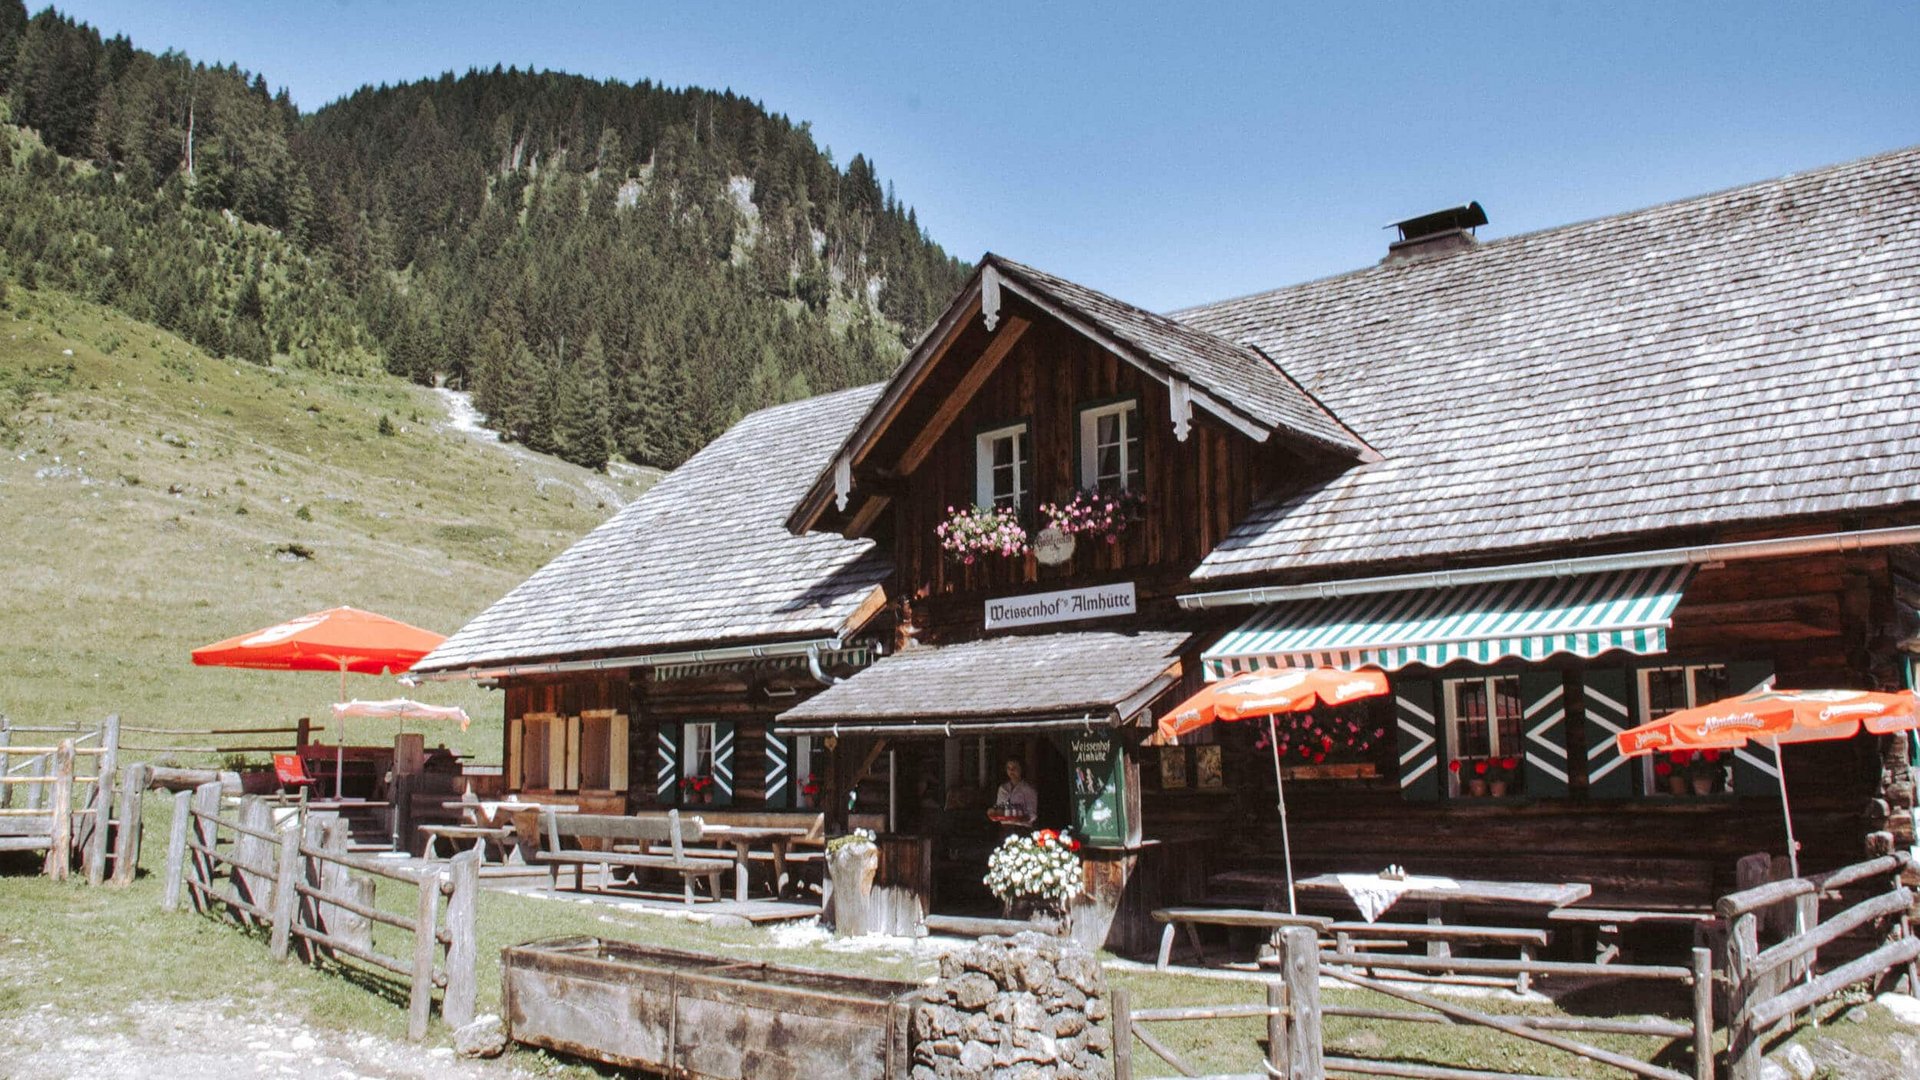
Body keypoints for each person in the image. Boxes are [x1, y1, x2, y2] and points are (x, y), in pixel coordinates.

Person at [988, 758, 1038, 831]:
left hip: (1022, 828)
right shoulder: (1002, 788)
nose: (1011, 771)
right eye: (1008, 768)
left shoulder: (1028, 789)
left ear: (1021, 769)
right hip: (1004, 827)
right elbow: (999, 808)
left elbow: (1032, 814)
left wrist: (1019, 818)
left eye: (1014, 768)